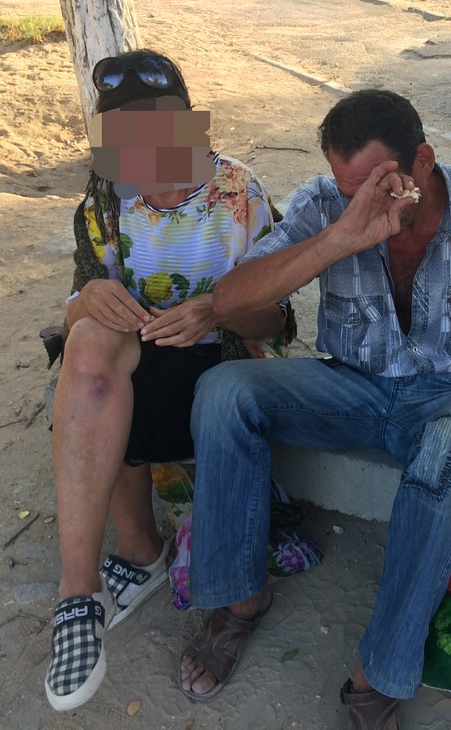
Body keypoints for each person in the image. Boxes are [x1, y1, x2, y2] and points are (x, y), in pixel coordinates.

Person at [178, 89, 451, 727]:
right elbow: (231, 298)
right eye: (348, 189)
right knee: (224, 391)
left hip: (449, 392)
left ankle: (378, 674)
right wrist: (340, 237)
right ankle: (239, 601)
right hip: (352, 384)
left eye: (379, 185)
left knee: (446, 462)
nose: (362, 202)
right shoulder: (325, 206)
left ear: (423, 162)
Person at [44, 49, 294, 711]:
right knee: (86, 347)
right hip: (143, 369)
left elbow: (278, 317)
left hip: (227, 369)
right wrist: (86, 300)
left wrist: (216, 309)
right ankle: (80, 597)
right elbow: (77, 311)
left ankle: (140, 556)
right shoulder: (106, 198)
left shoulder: (237, 191)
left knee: (102, 388)